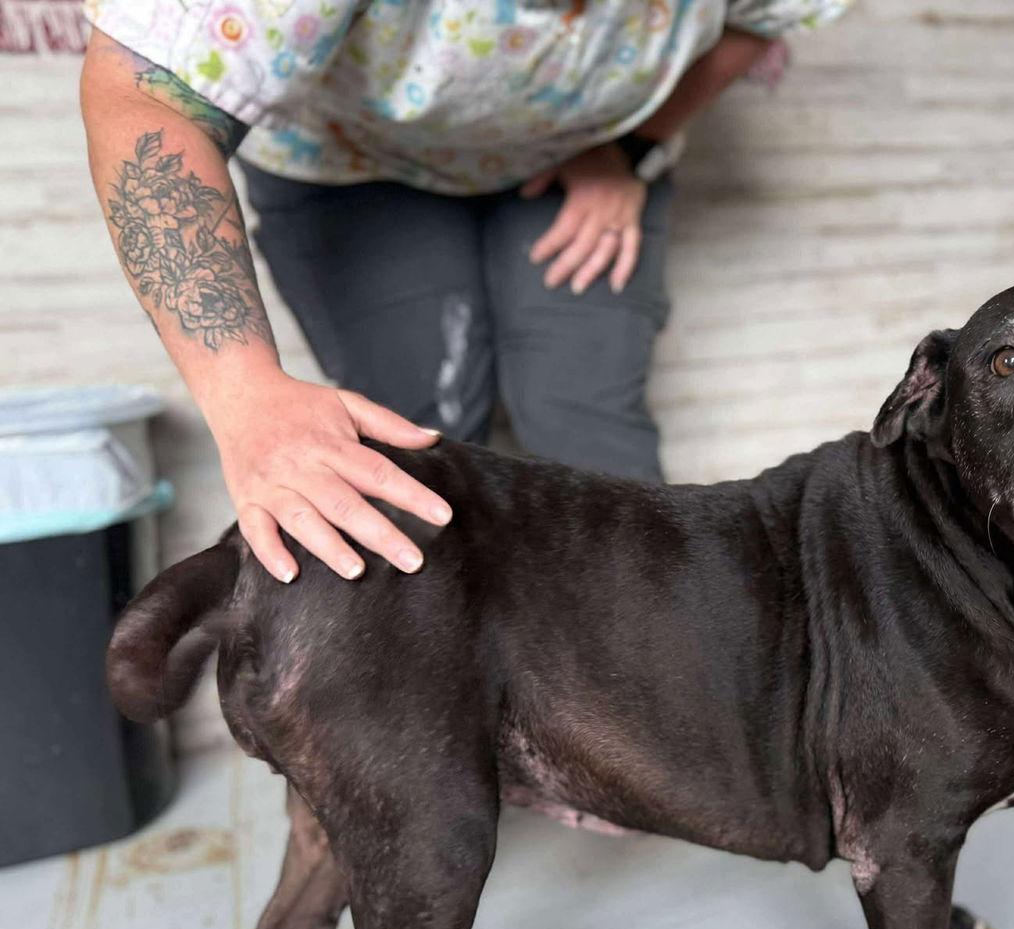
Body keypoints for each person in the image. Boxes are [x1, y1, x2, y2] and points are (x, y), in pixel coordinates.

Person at [79, 0, 849, 584]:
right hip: (349, 159)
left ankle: (630, 716)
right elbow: (148, 93)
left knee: (593, 440)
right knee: (419, 447)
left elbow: (759, 18)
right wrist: (241, 392)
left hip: (576, 153)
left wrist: (629, 149)